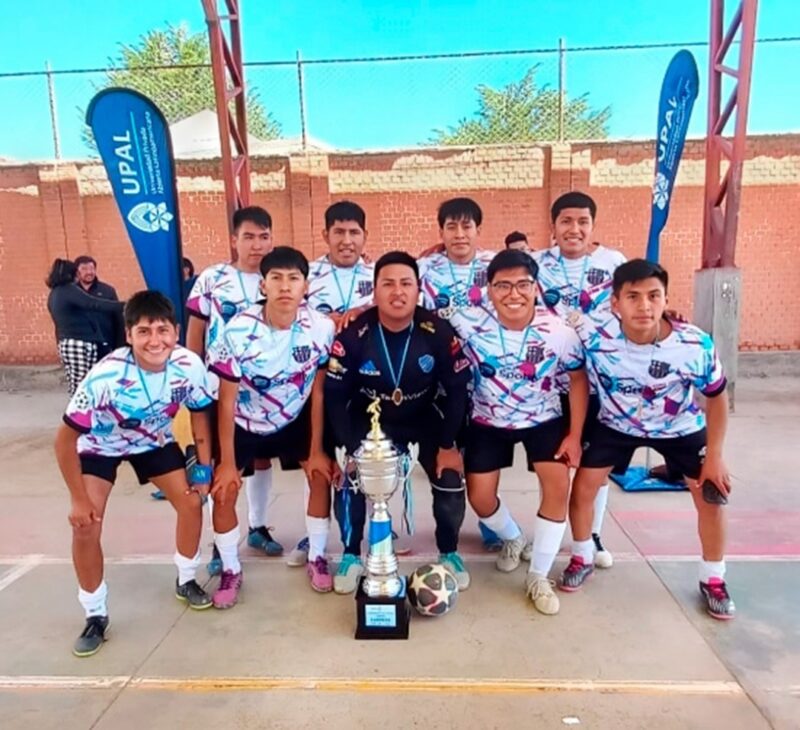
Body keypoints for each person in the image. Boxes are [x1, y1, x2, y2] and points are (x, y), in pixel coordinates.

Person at [563, 260, 735, 619]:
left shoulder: (694, 343)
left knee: (712, 496)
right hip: (615, 425)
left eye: (654, 296)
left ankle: (713, 579)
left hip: (680, 428)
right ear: (615, 303)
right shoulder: (593, 335)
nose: (644, 306)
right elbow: (550, 325)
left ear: (666, 299)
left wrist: (715, 456)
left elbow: (717, 397)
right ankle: (582, 556)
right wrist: (575, 436)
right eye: (633, 297)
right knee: (582, 487)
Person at [53, 291, 215, 657]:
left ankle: (187, 579)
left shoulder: (189, 365)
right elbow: (63, 441)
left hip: (152, 441)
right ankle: (95, 614)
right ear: (129, 335)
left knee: (192, 503)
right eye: (144, 331)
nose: (155, 340)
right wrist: (78, 499)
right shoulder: (105, 376)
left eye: (162, 330)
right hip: (99, 445)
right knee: (86, 525)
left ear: (176, 332)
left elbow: (200, 415)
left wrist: (203, 469)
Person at [451, 249, 588, 615]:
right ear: (489, 290)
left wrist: (574, 435)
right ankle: (513, 537)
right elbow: (416, 314)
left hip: (543, 419)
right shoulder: (466, 323)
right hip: (487, 421)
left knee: (557, 486)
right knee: (480, 498)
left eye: (523, 285)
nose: (513, 294)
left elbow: (578, 379)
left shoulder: (559, 331)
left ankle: (539, 575)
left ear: (536, 287)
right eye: (503, 286)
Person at [325, 251, 472, 592]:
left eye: (406, 283)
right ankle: (351, 555)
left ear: (418, 289)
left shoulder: (437, 331)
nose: (397, 292)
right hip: (371, 419)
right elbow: (334, 396)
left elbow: (457, 389)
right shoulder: (354, 334)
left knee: (449, 476)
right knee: (350, 478)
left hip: (423, 416)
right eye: (388, 284)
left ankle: (449, 552)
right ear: (374, 290)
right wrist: (349, 449)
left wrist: (448, 445)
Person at [209, 247, 336, 601]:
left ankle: (317, 556)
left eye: (293, 278)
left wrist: (316, 449)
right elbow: (226, 400)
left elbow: (319, 391)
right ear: (263, 285)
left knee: (319, 475)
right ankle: (231, 569)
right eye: (276, 278)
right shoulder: (237, 331)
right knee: (224, 489)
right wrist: (227, 462)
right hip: (244, 419)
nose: (285, 286)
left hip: (293, 415)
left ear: (305, 287)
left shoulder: (321, 328)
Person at [531, 192, 628, 569]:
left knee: (594, 468)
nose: (574, 229)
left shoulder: (614, 263)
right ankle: (550, 532)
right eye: (566, 221)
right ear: (553, 226)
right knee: (554, 468)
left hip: (601, 381)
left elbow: (640, 299)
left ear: (593, 225)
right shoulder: (536, 263)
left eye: (583, 221)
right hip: (551, 384)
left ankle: (592, 534)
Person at [186, 206, 282, 568]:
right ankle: (220, 543)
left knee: (261, 457)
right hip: (218, 387)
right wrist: (193, 377)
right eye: (248, 237)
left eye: (264, 237)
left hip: (266, 391)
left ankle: (258, 526)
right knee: (220, 464)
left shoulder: (278, 277)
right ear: (233, 240)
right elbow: (196, 331)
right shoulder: (212, 279)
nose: (257, 245)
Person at [286, 201, 377, 568]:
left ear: (365, 236)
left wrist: (362, 313)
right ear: (325, 234)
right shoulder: (305, 276)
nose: (346, 240)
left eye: (354, 232)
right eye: (338, 232)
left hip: (367, 386)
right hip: (318, 385)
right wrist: (324, 320)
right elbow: (287, 315)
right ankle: (316, 534)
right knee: (321, 465)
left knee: (368, 463)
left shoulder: (379, 275)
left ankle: (379, 528)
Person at [46, 258, 125, 395]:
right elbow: (93, 303)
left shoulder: (55, 293)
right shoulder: (68, 290)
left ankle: (80, 405)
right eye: (77, 272)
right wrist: (126, 305)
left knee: (77, 382)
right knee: (83, 384)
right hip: (78, 342)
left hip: (67, 342)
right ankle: (80, 407)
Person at [418, 197, 495, 321]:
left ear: (478, 231)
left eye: (466, 227)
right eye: (451, 227)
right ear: (441, 233)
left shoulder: (495, 266)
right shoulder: (423, 268)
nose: (459, 235)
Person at [74, 255, 124, 359]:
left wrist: (119, 345)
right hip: (80, 346)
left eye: (92, 268)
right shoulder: (71, 293)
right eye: (84, 269)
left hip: (106, 344)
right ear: (77, 272)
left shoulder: (108, 291)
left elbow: (118, 319)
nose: (89, 272)